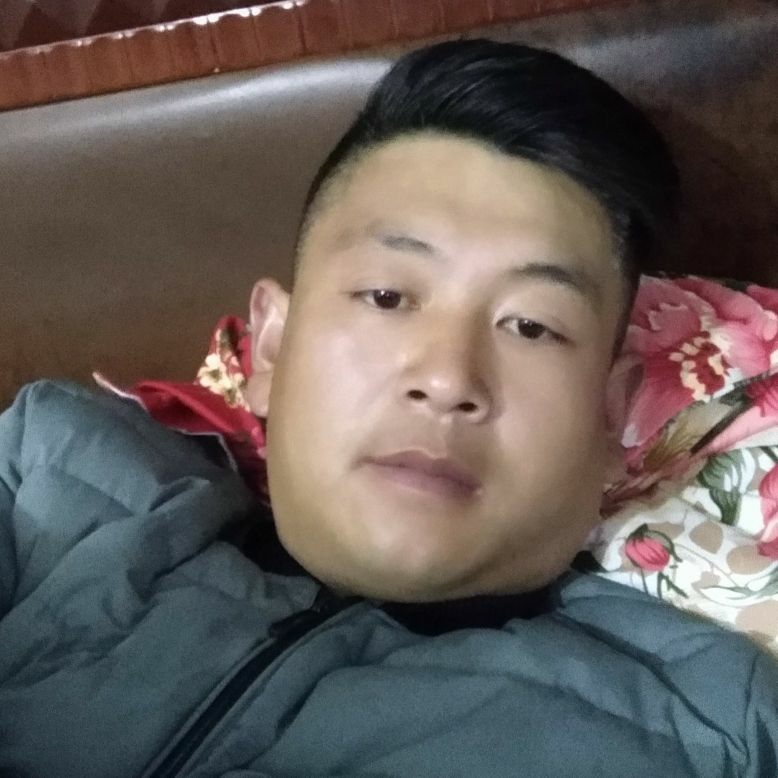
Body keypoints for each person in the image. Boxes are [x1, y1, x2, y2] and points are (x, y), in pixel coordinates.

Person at [1, 39, 776, 778]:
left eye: (531, 326)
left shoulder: (715, 729)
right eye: (386, 296)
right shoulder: (55, 479)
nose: (447, 378)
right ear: (271, 347)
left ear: (612, 414)